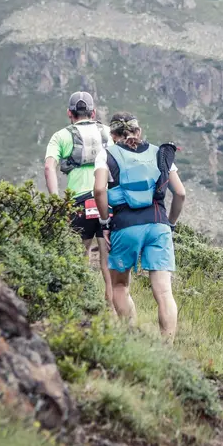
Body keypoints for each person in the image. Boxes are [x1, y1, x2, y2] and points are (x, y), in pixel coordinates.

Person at [93, 112, 186, 342]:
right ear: (139, 132)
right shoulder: (160, 154)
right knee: (164, 292)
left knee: (119, 286)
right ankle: (167, 348)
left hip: (124, 226)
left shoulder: (106, 155)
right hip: (159, 224)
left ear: (113, 135)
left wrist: (105, 222)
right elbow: (181, 193)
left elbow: (99, 190)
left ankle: (134, 339)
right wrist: (170, 225)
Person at [44, 91, 114, 307]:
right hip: (106, 202)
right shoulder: (109, 133)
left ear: (69, 113)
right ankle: (111, 310)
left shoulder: (60, 136)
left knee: (77, 259)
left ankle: (78, 306)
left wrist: (56, 201)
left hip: (78, 204)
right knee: (107, 262)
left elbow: (49, 167)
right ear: (93, 112)